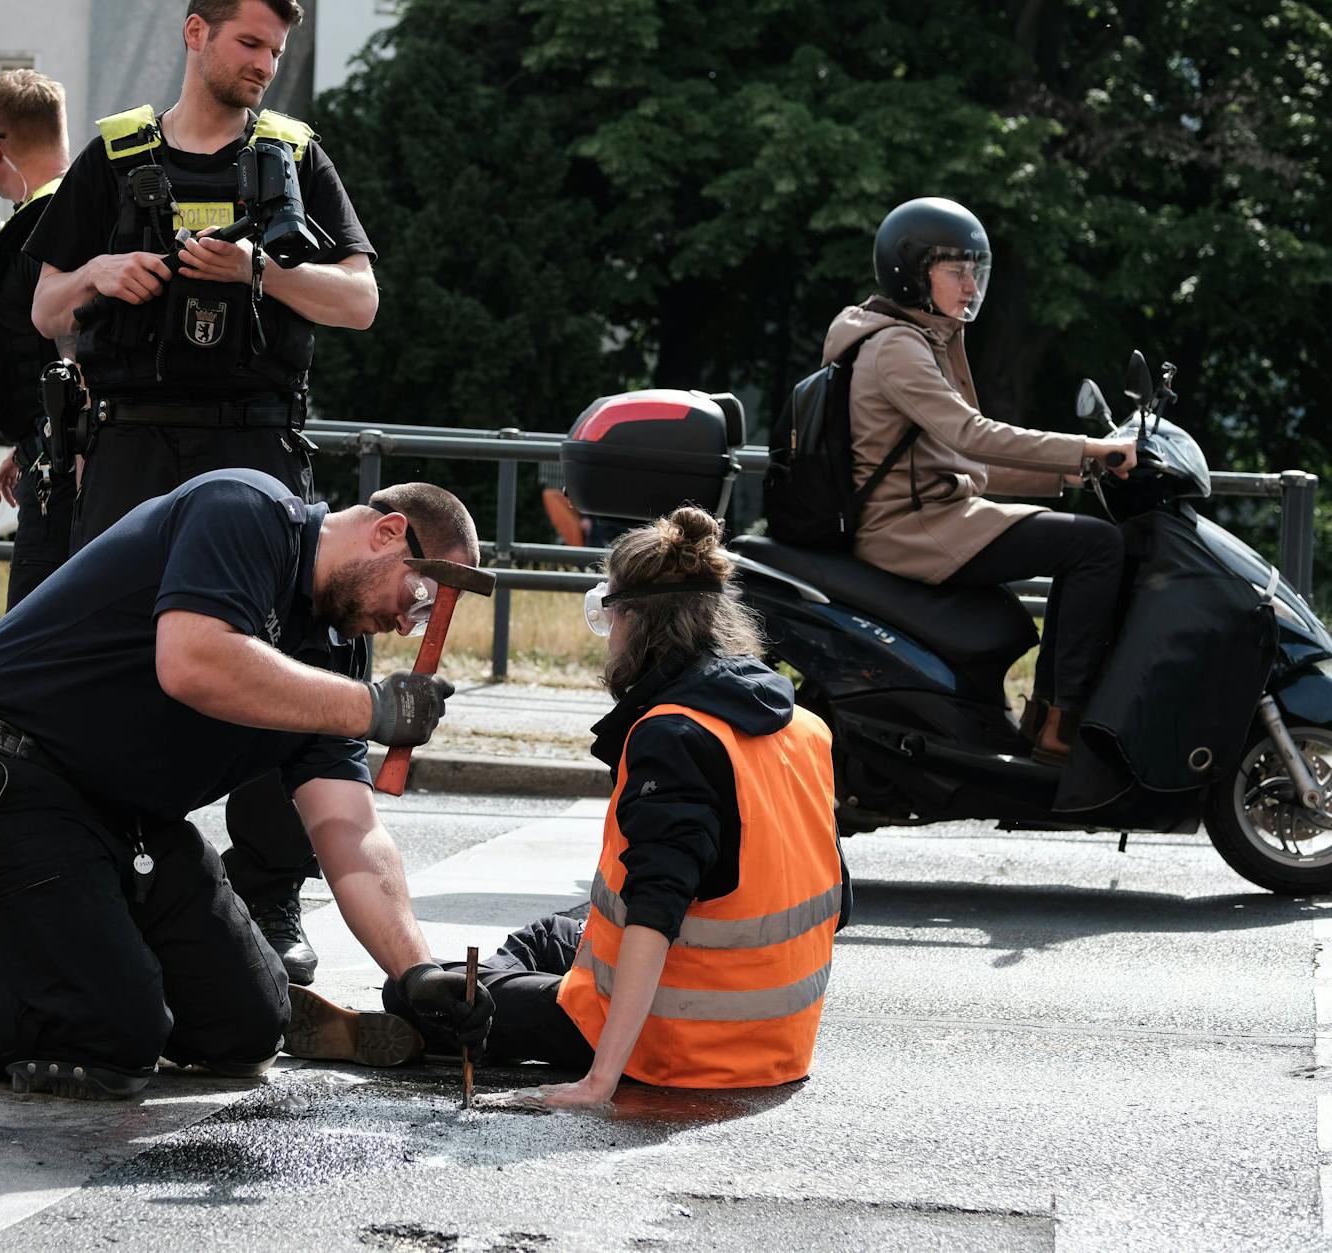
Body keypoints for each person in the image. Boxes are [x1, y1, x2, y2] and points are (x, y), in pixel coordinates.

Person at [0, 471, 495, 1099]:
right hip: (1, 782)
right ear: (387, 532)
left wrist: (416, 970)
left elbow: (349, 828)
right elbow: (192, 659)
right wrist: (371, 709)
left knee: (247, 1031)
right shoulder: (246, 512)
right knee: (113, 1037)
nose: (408, 626)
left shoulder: (337, 656)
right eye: (419, 600)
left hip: (123, 818)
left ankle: (54, 949)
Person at [22, 0, 379, 984]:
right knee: (112, 665)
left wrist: (261, 269)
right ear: (194, 31)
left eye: (275, 48)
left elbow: (359, 299)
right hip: (132, 448)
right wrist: (103, 268)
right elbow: (45, 304)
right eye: (248, 42)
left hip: (256, 444)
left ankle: (267, 893)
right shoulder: (115, 153)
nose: (264, 63)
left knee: (273, 667)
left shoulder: (295, 155)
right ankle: (108, 880)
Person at [285, 507, 848, 1107]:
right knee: (553, 933)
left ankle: (463, 1022)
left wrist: (598, 1083)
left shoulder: (675, 735)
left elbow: (655, 915)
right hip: (779, 1040)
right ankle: (521, 986)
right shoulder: (803, 727)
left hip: (681, 1041)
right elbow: (835, 900)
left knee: (421, 994)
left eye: (609, 616)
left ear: (634, 618)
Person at [827, 197, 1138, 762]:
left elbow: (958, 458)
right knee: (1096, 546)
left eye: (976, 272)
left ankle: (1046, 715)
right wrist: (1089, 446)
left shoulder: (910, 336)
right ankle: (1060, 723)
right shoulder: (898, 347)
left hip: (927, 514)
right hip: (912, 529)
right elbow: (972, 435)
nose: (971, 287)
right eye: (957, 271)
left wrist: (1077, 471)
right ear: (913, 271)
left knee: (1081, 541)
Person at [0, 69, 77, 608]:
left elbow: (79, 343)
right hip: (58, 448)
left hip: (67, 463)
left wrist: (58, 442)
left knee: (30, 632)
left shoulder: (40, 226)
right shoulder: (79, 206)